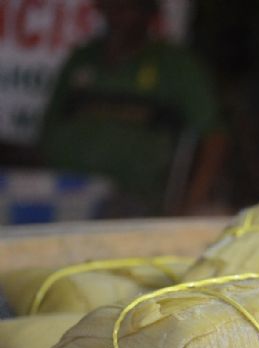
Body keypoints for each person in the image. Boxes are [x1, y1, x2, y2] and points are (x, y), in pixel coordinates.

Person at [40, 0, 226, 216]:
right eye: (112, 7)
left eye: (128, 8)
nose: (117, 16)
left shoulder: (174, 65)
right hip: (63, 188)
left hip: (130, 199)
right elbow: (48, 127)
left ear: (149, 14)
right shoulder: (82, 58)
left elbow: (214, 137)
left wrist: (189, 204)